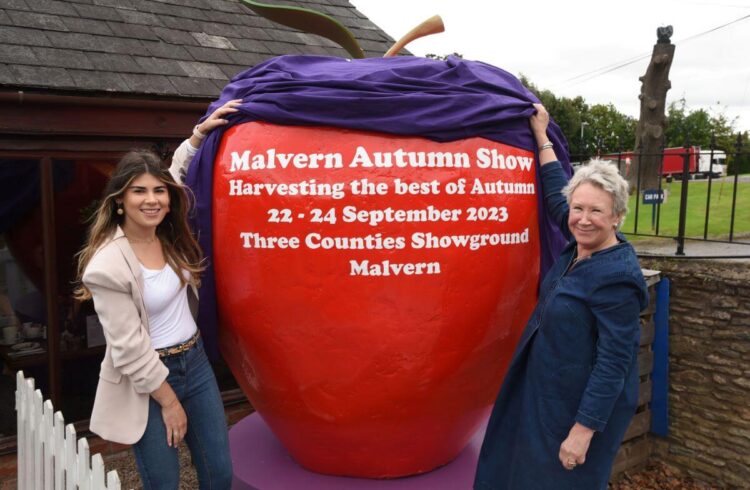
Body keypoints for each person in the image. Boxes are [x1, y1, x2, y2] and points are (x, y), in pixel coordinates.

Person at [474, 104, 648, 489]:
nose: (584, 218)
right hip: (547, 392)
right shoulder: (578, 244)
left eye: (597, 211)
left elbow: (614, 363)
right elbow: (557, 196)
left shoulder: (617, 277)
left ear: (618, 216)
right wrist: (541, 136)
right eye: (579, 208)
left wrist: (582, 431)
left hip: (576, 408)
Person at [74, 100, 241, 489]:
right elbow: (129, 348)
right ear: (119, 202)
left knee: (219, 474)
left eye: (158, 192)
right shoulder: (106, 266)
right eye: (138, 192)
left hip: (194, 364)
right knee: (163, 482)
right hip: (145, 380)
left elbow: (176, 171)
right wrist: (169, 402)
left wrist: (199, 134)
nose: (152, 199)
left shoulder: (168, 235)